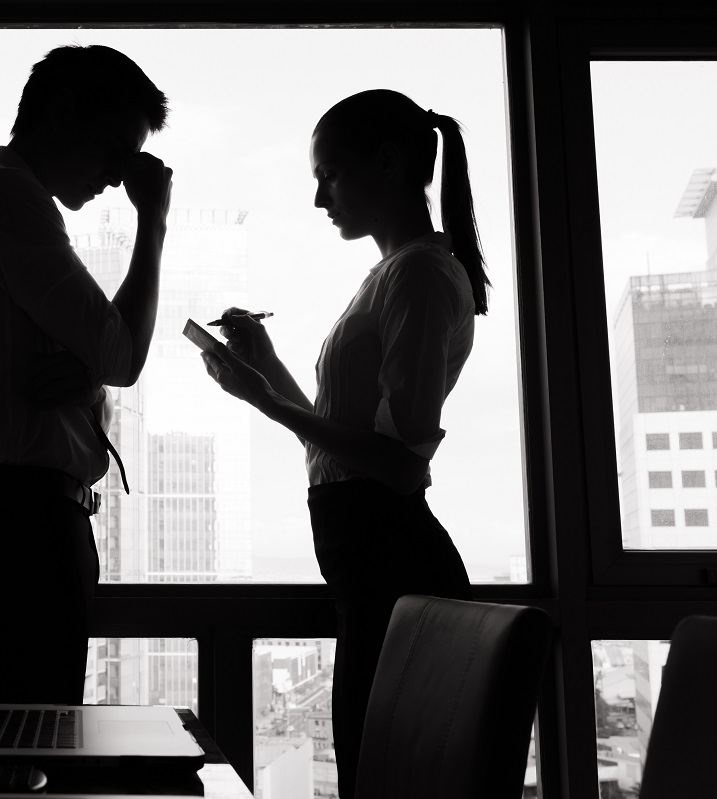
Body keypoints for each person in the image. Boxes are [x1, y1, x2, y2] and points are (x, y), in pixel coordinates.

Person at [199, 89, 488, 799]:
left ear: (387, 164)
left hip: (391, 563)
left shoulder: (418, 274)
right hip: (373, 567)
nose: (319, 196)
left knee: (376, 775)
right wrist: (263, 363)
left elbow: (397, 460)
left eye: (329, 172)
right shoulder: (393, 274)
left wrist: (265, 401)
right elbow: (341, 446)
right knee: (369, 771)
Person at [0, 44, 173, 704]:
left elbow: (94, 366)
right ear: (62, 115)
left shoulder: (4, 200)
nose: (119, 177)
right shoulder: (8, 200)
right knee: (22, 740)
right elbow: (120, 355)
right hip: (19, 525)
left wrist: (87, 374)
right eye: (115, 151)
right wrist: (154, 221)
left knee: (21, 728)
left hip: (18, 516)